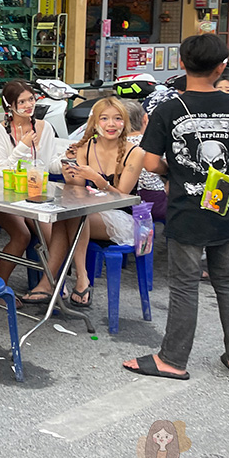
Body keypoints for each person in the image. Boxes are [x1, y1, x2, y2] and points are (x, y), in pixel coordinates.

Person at [125, 34, 229, 381]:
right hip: (228, 208)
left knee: (185, 285)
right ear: (222, 66)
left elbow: (150, 161)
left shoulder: (169, 109)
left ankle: (172, 359)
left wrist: (173, 171)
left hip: (186, 209)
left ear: (182, 64)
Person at [54, 97, 145, 307]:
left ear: (125, 123)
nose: (111, 124)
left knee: (74, 215)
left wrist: (98, 180)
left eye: (117, 119)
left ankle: (74, 278)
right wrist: (69, 173)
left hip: (124, 219)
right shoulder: (86, 147)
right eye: (104, 119)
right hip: (88, 212)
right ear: (95, 123)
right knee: (65, 217)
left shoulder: (135, 152)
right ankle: (56, 281)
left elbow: (123, 197)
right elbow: (76, 188)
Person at [0, 80, 60, 297]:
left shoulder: (45, 128)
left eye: (31, 99)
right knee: (22, 235)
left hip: (35, 195)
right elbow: (0, 169)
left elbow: (50, 162)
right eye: (22, 101)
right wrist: (23, 146)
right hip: (3, 196)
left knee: (53, 237)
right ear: (9, 105)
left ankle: (51, 287)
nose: (29, 105)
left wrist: (68, 161)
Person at [123, 98, 168, 223]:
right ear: (145, 119)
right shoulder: (152, 142)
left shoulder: (116, 145)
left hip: (125, 202)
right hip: (155, 201)